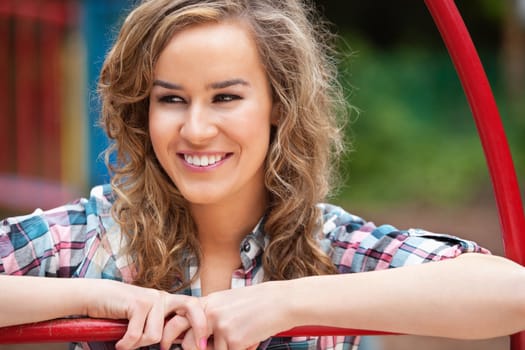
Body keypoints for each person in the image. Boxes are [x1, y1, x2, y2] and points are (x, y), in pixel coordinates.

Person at [1, 0, 525, 350]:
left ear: (280, 106)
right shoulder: (96, 237)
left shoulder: (328, 245)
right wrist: (96, 298)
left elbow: (511, 293)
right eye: (171, 99)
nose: (197, 128)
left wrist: (284, 302)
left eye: (226, 97)